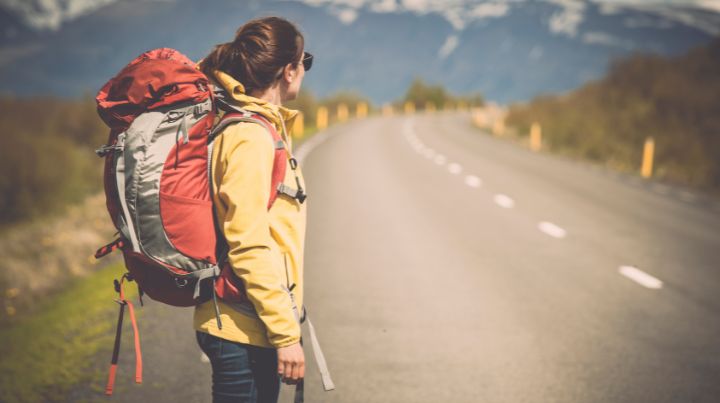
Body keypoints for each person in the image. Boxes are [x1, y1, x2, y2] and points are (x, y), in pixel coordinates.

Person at [194, 16, 313, 403]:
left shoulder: (259, 129)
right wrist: (285, 334)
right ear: (288, 70)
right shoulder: (250, 137)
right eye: (304, 61)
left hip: (248, 322)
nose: (304, 72)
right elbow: (248, 243)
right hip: (241, 329)